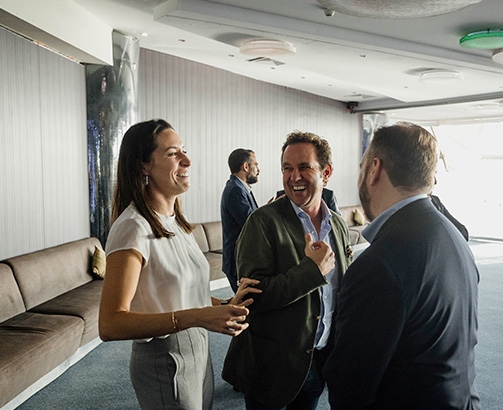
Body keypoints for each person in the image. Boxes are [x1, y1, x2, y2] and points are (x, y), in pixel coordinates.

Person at [98, 119, 260, 410]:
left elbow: (174, 292)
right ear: (144, 166)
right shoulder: (132, 228)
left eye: (184, 150)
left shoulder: (177, 224)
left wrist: (222, 304)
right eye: (173, 153)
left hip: (199, 349)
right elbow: (110, 324)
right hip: (165, 359)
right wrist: (198, 316)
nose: (187, 160)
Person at [322, 122, 481, 410]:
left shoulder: (379, 265)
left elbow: (350, 386)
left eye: (362, 166)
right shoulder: (453, 235)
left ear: (375, 169)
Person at [222, 131, 353, 410]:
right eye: (287, 168)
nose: (294, 177)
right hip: (271, 366)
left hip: (318, 361)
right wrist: (310, 272)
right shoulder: (262, 222)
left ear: (326, 172)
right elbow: (252, 297)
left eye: (304, 167)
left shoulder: (339, 227)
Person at [221, 148, 260, 292]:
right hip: (237, 262)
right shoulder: (235, 190)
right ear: (245, 166)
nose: (258, 169)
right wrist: (271, 210)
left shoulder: (240, 188)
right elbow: (251, 224)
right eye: (255, 165)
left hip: (241, 260)